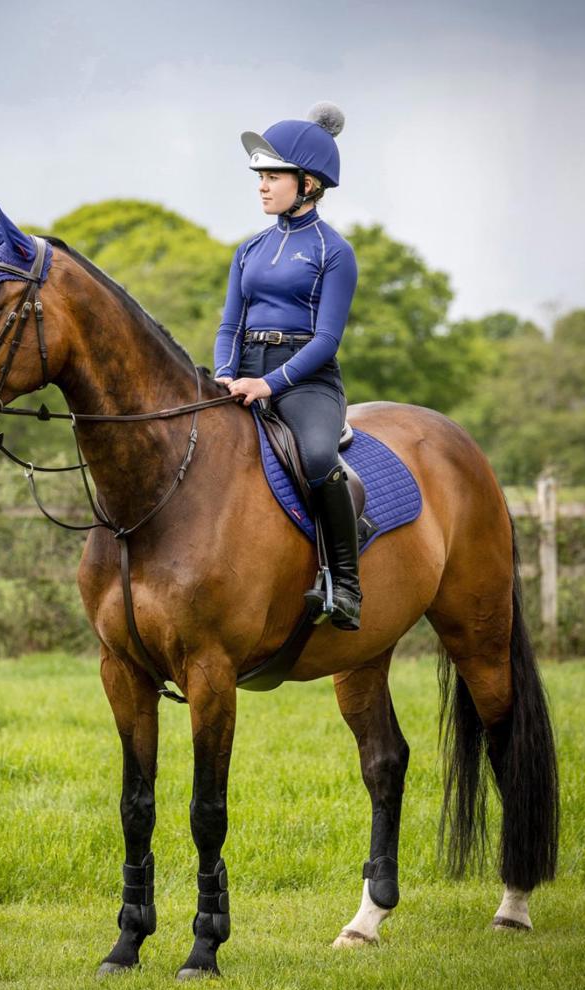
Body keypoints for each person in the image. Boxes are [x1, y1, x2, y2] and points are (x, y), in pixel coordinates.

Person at [213, 102, 362, 631]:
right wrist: (224, 373)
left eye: (273, 175)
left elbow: (326, 340)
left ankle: (345, 583)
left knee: (319, 457)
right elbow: (229, 325)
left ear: (310, 183)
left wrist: (270, 382)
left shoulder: (334, 252)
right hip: (245, 367)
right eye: (260, 175)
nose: (262, 185)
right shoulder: (249, 249)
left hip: (306, 380)